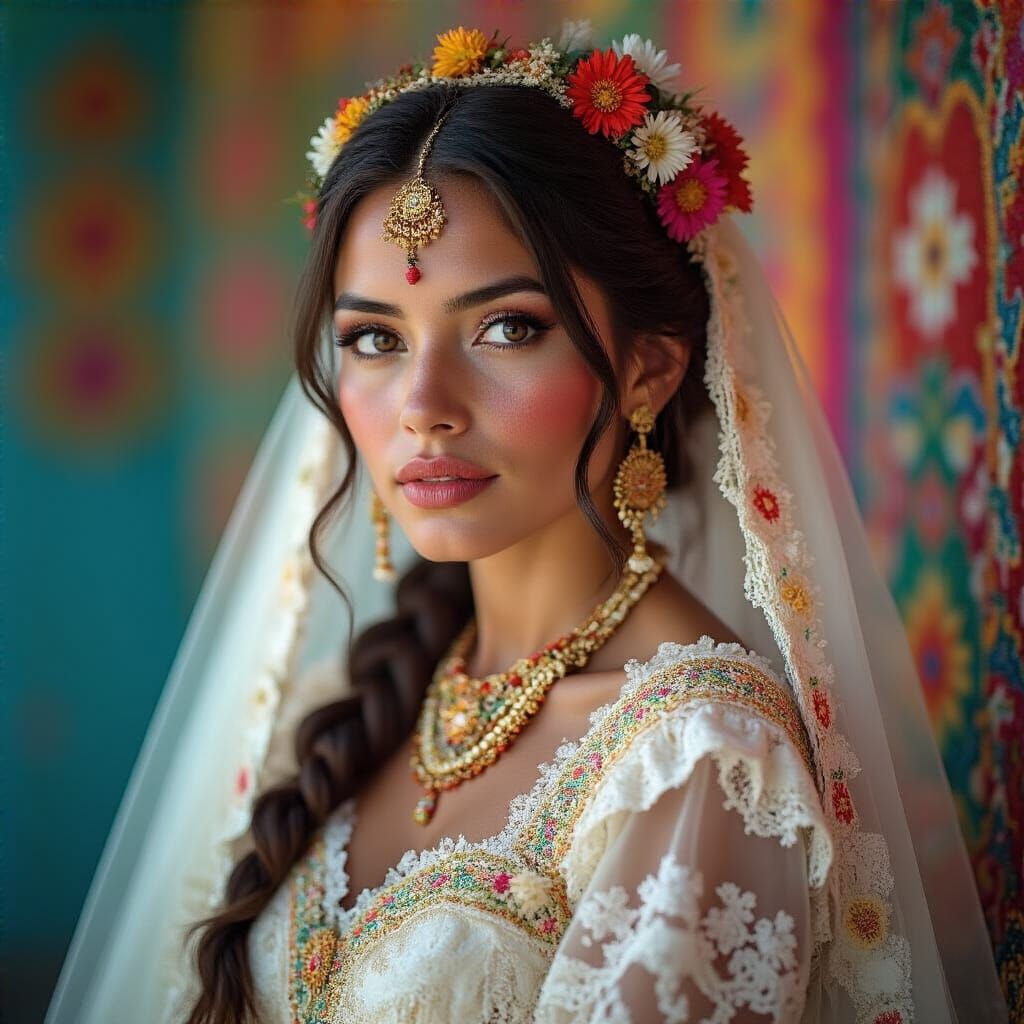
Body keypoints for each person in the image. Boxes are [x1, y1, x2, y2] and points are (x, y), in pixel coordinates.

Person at [46, 20, 1008, 1024]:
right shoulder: (346, 703)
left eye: (507, 326)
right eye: (374, 337)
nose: (423, 403)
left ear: (649, 365)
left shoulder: (696, 758)